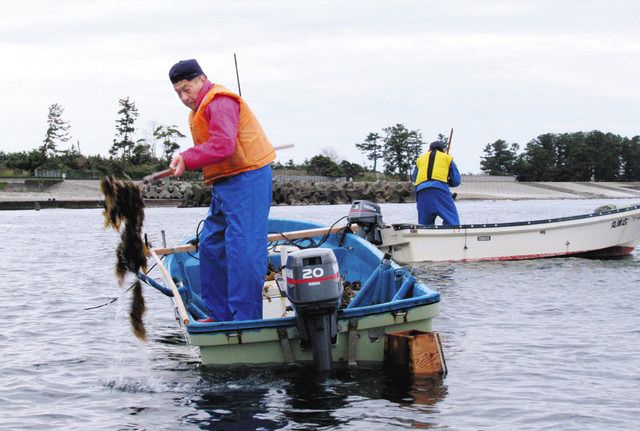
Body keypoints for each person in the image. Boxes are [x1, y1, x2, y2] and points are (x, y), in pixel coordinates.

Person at [168, 59, 275, 322]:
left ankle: (246, 320)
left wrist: (188, 157)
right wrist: (188, 158)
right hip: (224, 182)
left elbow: (224, 145)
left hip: (248, 178)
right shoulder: (198, 108)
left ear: (201, 80)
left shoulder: (220, 101)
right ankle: (221, 314)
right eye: (178, 93)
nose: (183, 97)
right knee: (211, 243)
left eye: (186, 89)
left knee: (242, 249)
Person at [412, 140, 461, 226]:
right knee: (452, 222)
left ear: (429, 150)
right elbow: (456, 181)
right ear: (443, 150)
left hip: (421, 193)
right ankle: (450, 237)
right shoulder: (447, 158)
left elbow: (415, 178)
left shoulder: (420, 159)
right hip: (439, 191)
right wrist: (447, 180)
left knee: (424, 225)